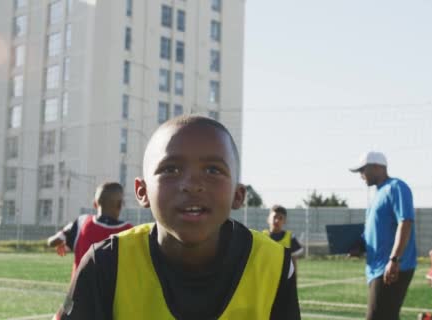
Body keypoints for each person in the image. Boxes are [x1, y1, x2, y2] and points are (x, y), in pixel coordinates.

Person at [55, 115, 300, 320]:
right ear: (143, 192)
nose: (192, 185)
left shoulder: (275, 264)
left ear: (238, 195)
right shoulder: (105, 262)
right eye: (170, 169)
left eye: (213, 170)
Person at [349, 151, 417, 320]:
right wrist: (359, 246)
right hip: (377, 268)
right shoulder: (377, 195)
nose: (361, 175)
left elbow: (405, 222)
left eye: (363, 170)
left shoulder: (396, 186)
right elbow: (372, 232)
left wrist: (394, 260)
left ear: (378, 167)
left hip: (392, 267)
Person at [47, 182, 133, 273]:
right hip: (115, 287)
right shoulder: (130, 231)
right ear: (120, 205)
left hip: (80, 287)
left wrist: (65, 240)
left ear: (95, 204)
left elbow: (52, 241)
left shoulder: (82, 222)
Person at [263, 205, 304, 271]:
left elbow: (293, 262)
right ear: (268, 219)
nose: (277, 220)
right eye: (274, 217)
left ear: (285, 221)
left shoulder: (290, 237)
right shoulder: (262, 237)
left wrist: (293, 280)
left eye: (280, 218)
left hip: (283, 278)